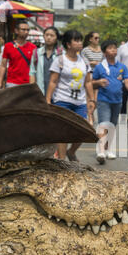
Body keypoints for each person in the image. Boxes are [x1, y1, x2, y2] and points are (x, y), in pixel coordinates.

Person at [45, 30, 95, 161]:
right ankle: (62, 161)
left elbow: (88, 82)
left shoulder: (84, 61)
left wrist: (92, 100)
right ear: (68, 44)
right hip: (62, 100)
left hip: (80, 102)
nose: (80, 43)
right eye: (76, 40)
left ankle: (71, 152)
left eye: (80, 40)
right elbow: (53, 81)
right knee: (63, 131)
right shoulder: (59, 60)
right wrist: (48, 99)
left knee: (85, 129)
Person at [92, 40, 128, 164]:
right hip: (104, 100)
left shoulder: (122, 67)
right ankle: (101, 150)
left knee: (112, 125)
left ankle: (108, 149)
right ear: (104, 52)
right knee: (104, 124)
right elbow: (90, 83)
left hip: (117, 101)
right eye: (110, 48)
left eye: (114, 48)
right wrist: (98, 82)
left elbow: (127, 82)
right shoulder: (99, 67)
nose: (113, 50)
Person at [0, 20, 36, 89]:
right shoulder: (8, 46)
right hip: (12, 83)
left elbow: (35, 66)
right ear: (16, 31)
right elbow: (3, 65)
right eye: (23, 30)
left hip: (28, 83)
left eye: (28, 30)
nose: (26, 32)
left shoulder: (33, 47)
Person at [29, 26, 63, 96]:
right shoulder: (36, 52)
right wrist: (32, 91)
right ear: (43, 36)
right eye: (47, 35)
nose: (49, 37)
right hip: (39, 92)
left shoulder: (61, 54)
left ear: (56, 37)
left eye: (52, 35)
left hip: (57, 93)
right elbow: (32, 72)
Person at [81, 32, 103, 125]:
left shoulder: (102, 50)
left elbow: (104, 62)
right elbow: (82, 62)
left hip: (99, 77)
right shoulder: (85, 50)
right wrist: (91, 63)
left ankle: (91, 113)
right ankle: (90, 117)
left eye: (98, 38)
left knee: (96, 99)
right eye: (96, 38)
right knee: (89, 98)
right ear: (90, 39)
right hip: (88, 76)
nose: (97, 40)